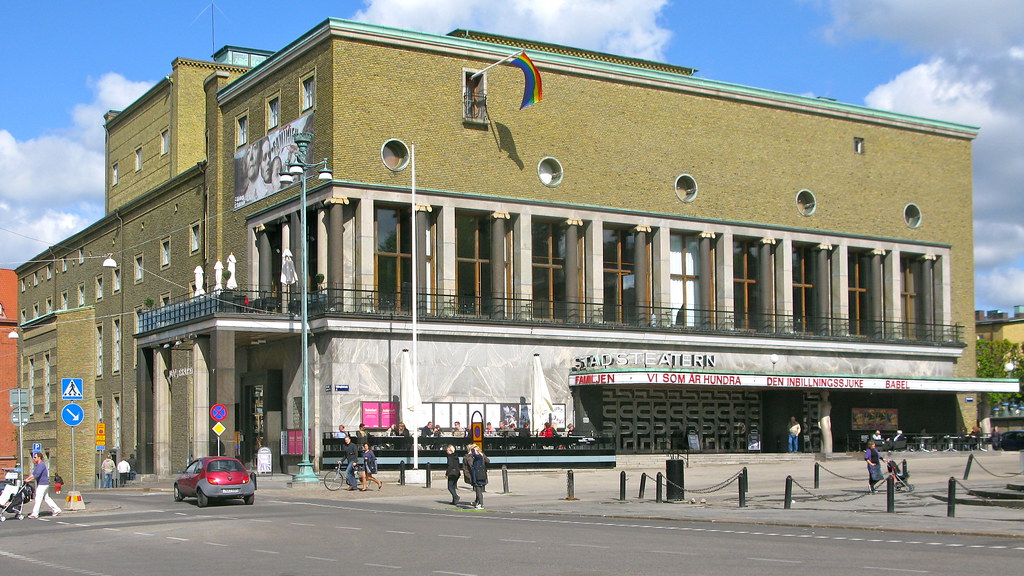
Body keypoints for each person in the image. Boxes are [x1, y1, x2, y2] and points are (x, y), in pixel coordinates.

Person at [24, 452, 61, 519]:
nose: (34, 458)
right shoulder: (38, 465)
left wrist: (29, 480)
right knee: (46, 498)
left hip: (42, 484)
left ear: (39, 458)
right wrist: (27, 479)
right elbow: (33, 474)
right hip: (44, 484)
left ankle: (35, 513)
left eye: (35, 457)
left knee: (38, 498)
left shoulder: (41, 465)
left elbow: (37, 475)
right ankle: (56, 509)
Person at [467, 444, 489, 509]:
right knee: (478, 491)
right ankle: (478, 503)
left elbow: (475, 454)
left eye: (475, 451)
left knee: (479, 492)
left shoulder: (479, 456)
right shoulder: (478, 458)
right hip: (477, 476)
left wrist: (472, 449)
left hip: (478, 476)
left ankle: (480, 504)